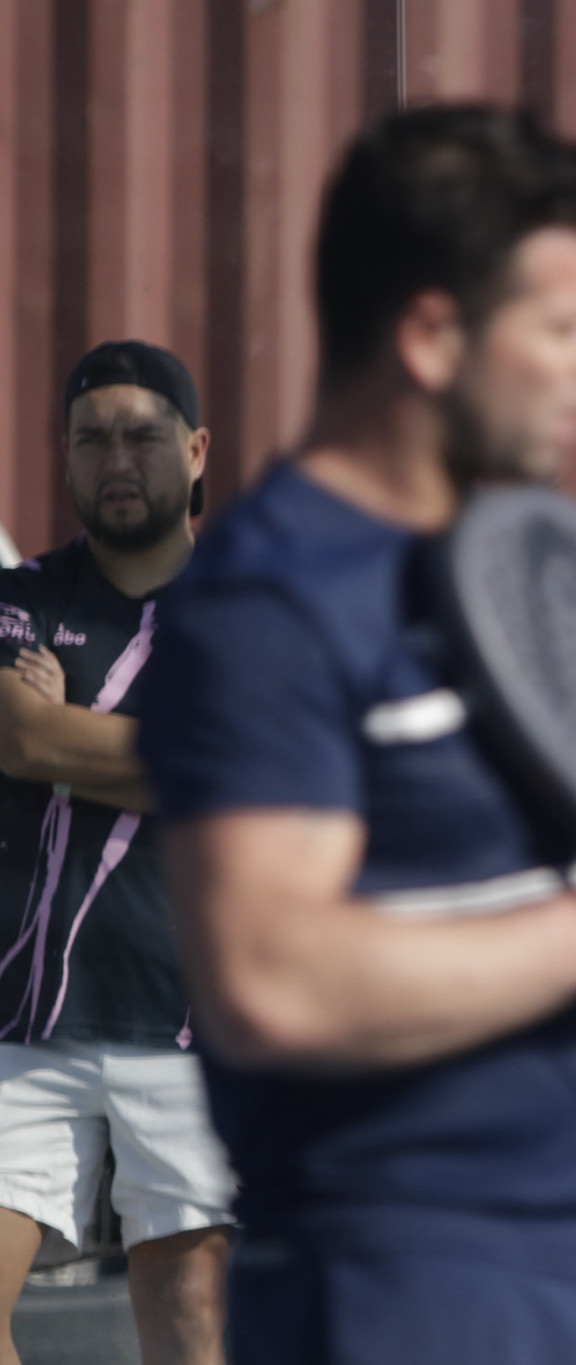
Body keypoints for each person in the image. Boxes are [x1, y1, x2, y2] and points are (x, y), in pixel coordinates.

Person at [135, 105, 576, 1364]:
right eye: (563, 327)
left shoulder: (514, 575)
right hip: (396, 1287)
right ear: (432, 336)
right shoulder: (271, 599)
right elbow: (270, 979)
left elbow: (557, 912)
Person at [0, 341, 233, 1365]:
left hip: (189, 1022)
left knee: (188, 1330)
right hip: (24, 1017)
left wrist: (69, 736)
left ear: (197, 449)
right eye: (91, 439)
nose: (117, 459)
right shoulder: (19, 599)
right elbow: (19, 738)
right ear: (64, 456)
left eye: (143, 435)